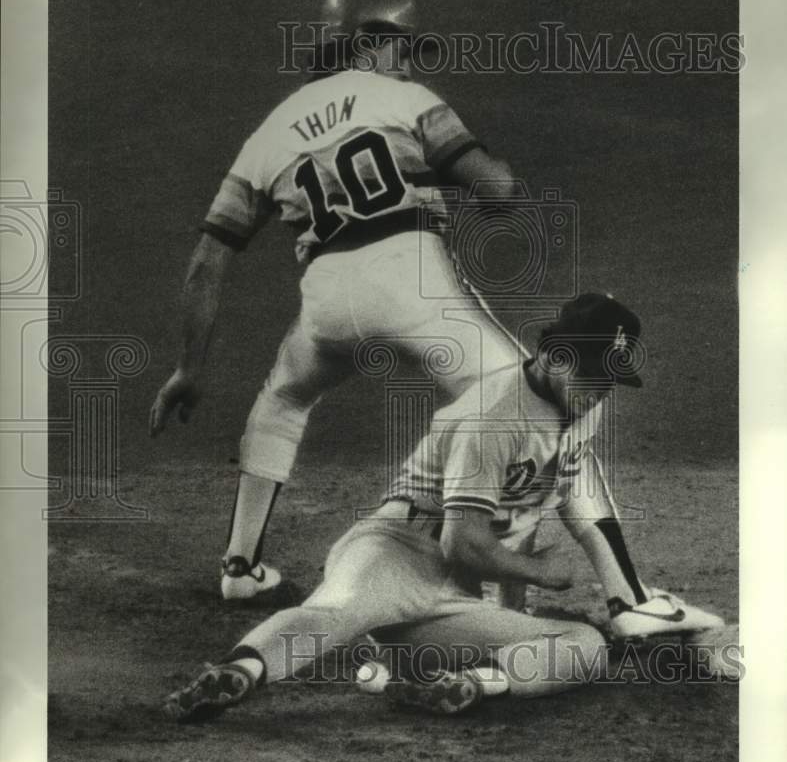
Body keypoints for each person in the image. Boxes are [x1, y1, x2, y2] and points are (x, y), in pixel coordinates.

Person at [164, 292, 724, 723]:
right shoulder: (492, 418)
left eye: (612, 379)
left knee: (584, 647)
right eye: (595, 374)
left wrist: (526, 607)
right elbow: (465, 542)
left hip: (450, 603)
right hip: (398, 551)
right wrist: (543, 575)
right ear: (554, 356)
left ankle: (471, 682)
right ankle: (239, 672)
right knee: (337, 615)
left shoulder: (583, 404)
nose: (603, 390)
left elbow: (535, 509)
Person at [149, 0, 526, 602]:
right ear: (372, 44)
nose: (408, 60)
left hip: (326, 303)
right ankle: (504, 592)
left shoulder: (268, 134)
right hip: (411, 286)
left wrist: (189, 367)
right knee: (521, 402)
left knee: (283, 398)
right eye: (403, 47)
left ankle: (240, 568)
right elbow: (495, 191)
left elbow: (206, 262)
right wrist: (489, 175)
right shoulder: (408, 99)